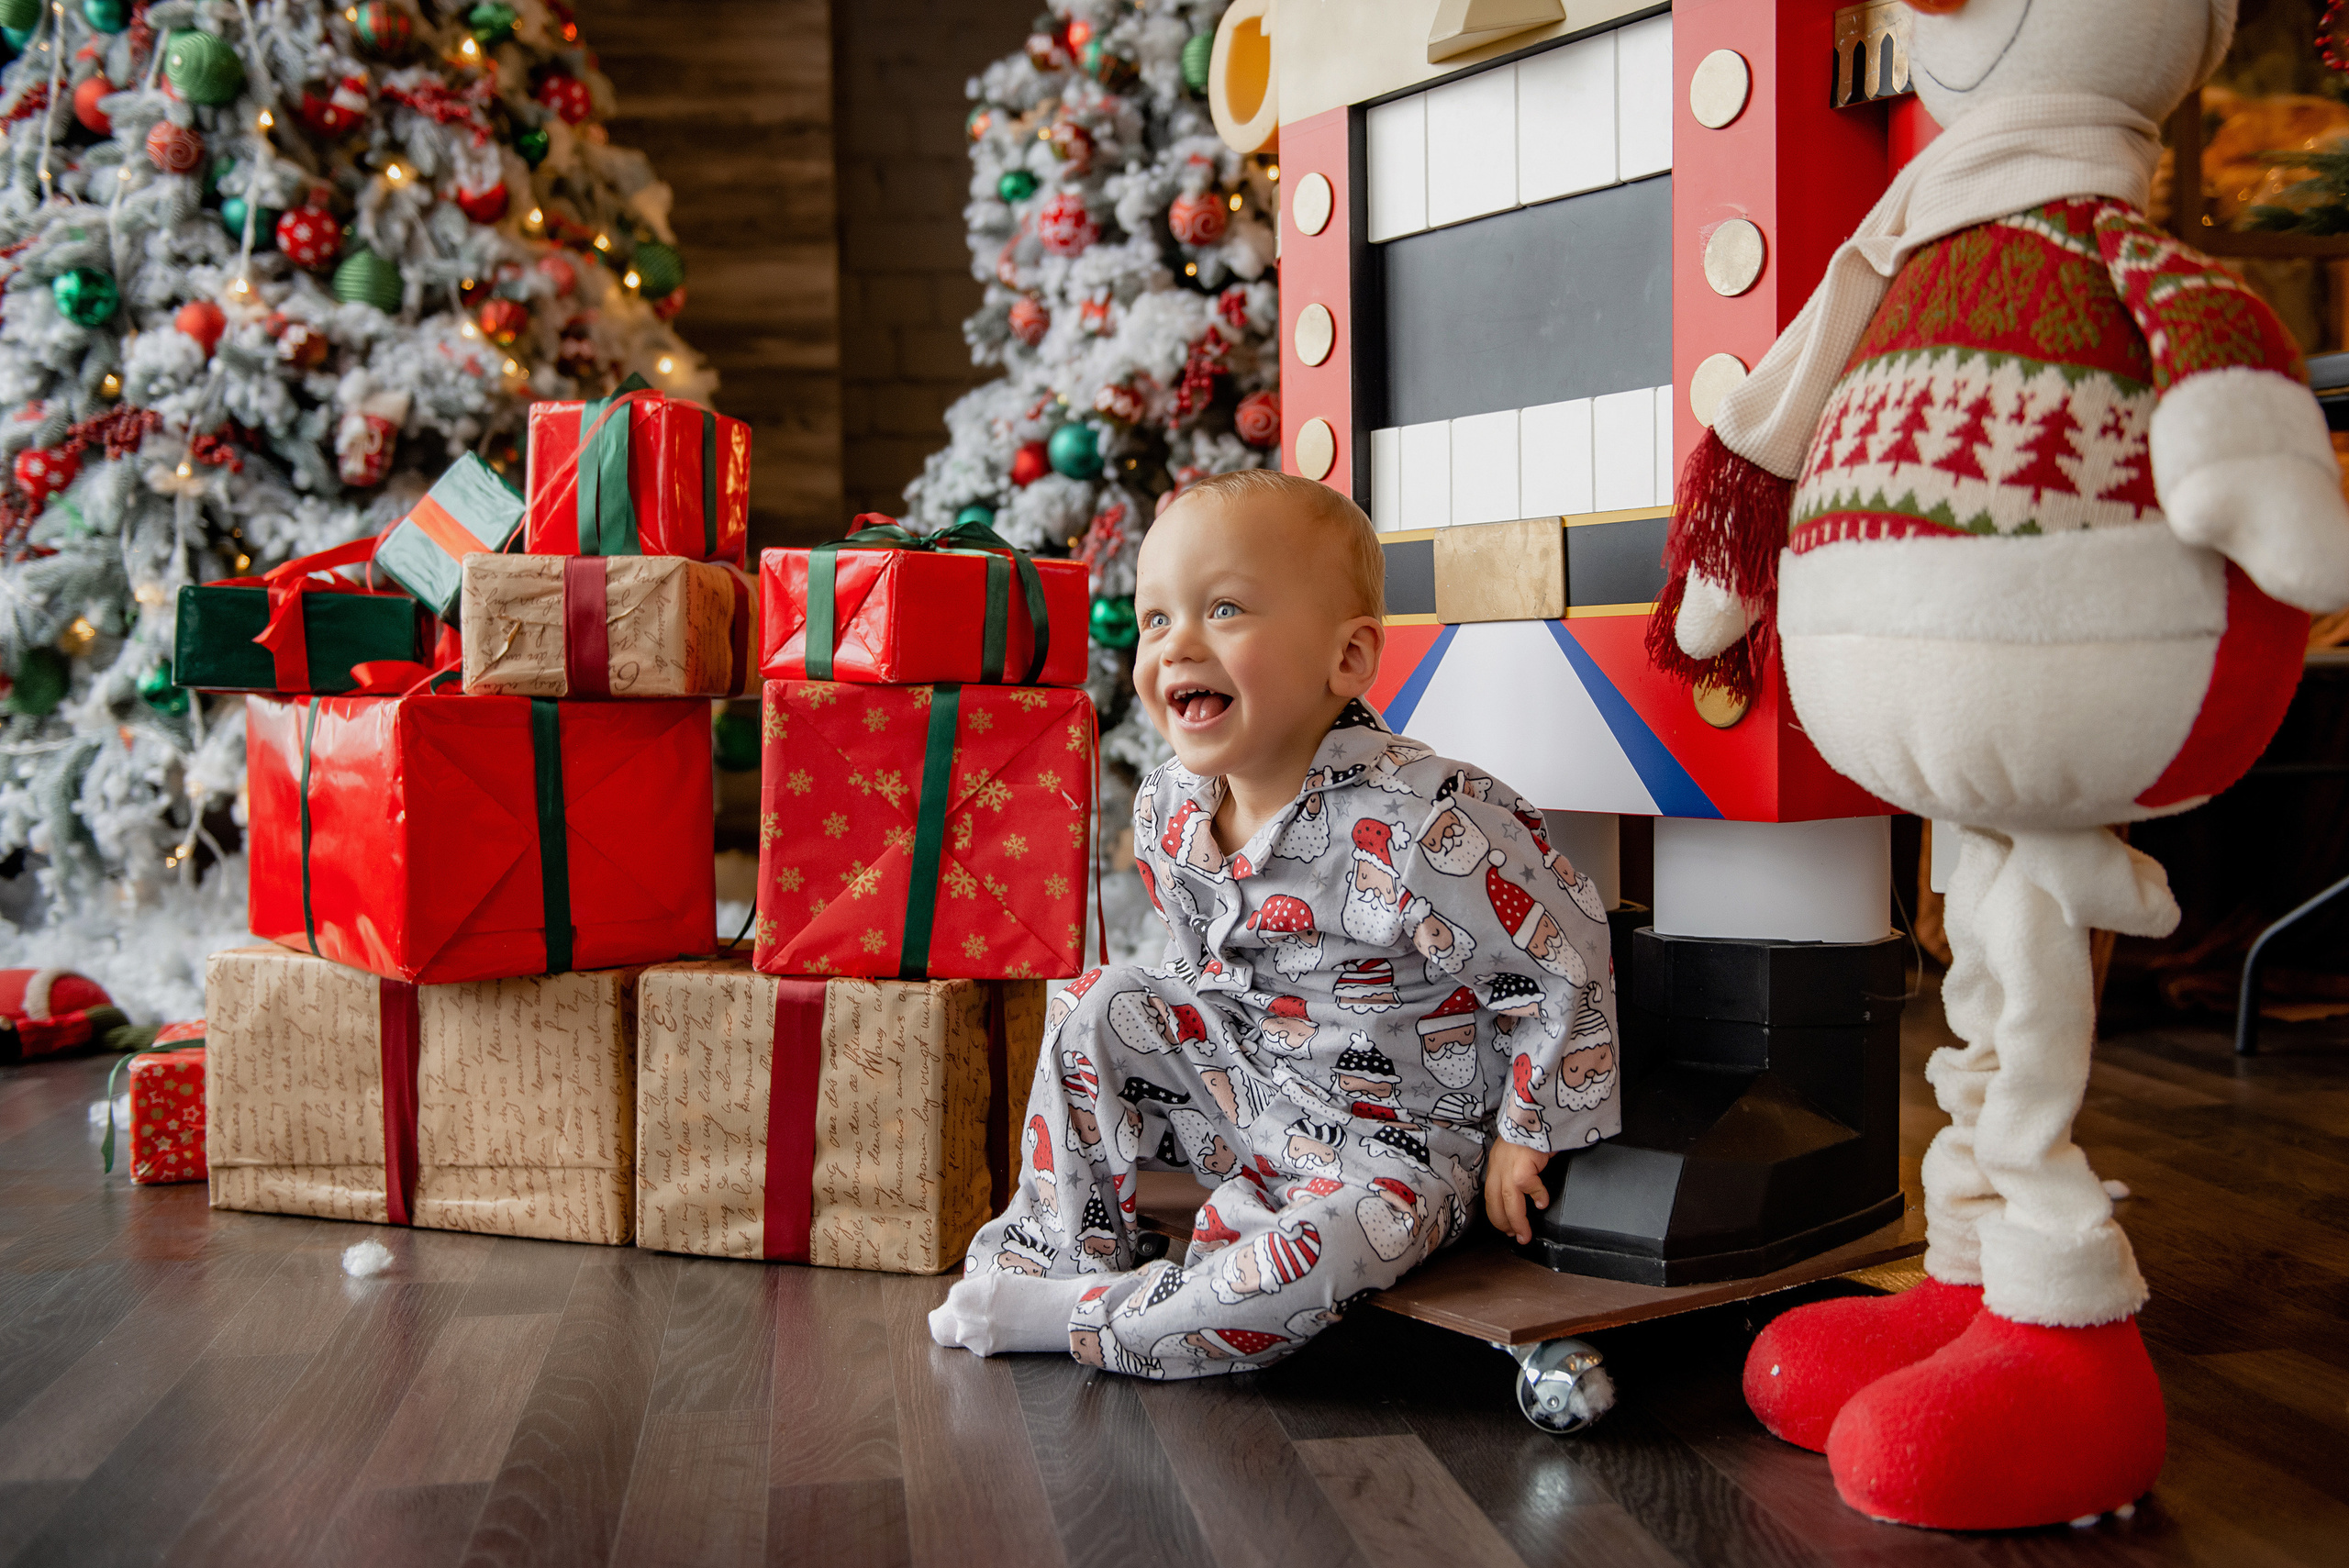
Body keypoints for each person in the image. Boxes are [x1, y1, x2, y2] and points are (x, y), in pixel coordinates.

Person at [929, 468, 1620, 1378]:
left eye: (1222, 610)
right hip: (1249, 1093)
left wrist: (1524, 1128)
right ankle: (1057, 1248)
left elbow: (1559, 955)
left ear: (1346, 659)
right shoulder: (1171, 802)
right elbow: (1196, 972)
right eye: (1155, 619)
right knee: (1098, 998)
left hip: (1399, 1145)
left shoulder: (1424, 819)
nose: (1175, 645)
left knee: (1314, 1264)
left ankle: (1094, 1316)